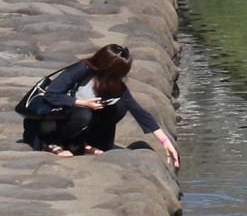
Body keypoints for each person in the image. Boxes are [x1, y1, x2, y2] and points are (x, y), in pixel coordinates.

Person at [17, 45, 179, 167]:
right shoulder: (82, 69)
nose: (120, 77)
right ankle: (53, 143)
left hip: (79, 125)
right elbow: (51, 94)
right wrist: (81, 103)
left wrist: (165, 141)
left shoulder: (113, 84)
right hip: (52, 121)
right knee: (83, 114)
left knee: (120, 106)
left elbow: (139, 112)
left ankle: (81, 144)